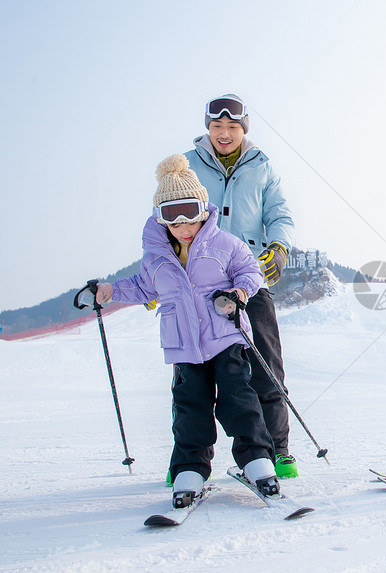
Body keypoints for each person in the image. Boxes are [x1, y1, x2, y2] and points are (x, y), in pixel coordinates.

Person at [95, 154, 280, 506]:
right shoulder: (157, 256)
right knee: (189, 408)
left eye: (190, 212)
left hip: (226, 338)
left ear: (203, 209)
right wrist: (110, 291)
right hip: (183, 345)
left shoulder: (225, 243)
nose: (183, 224)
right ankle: (190, 470)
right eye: (171, 215)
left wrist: (239, 293)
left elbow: (251, 272)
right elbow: (143, 287)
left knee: (239, 400)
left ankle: (257, 462)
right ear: (159, 217)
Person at [181, 93, 297, 479]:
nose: (224, 134)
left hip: (251, 278)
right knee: (197, 374)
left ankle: (277, 450)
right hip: (200, 285)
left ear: (243, 129)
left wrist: (278, 246)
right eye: (217, 127)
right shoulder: (187, 167)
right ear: (208, 129)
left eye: (232, 127)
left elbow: (278, 212)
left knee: (266, 366)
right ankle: (192, 461)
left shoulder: (261, 166)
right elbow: (166, 219)